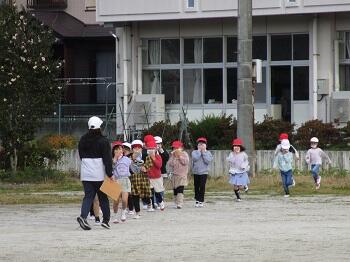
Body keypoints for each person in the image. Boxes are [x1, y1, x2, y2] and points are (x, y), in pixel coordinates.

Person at [77, 116, 113, 230]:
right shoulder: (103, 141)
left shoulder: (82, 139)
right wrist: (110, 174)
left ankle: (83, 216)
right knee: (103, 198)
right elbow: (107, 159)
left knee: (88, 196)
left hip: (86, 174)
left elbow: (81, 156)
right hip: (99, 174)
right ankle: (106, 220)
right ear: (99, 127)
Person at [111, 141, 132, 223]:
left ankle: (123, 212)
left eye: (119, 149)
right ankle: (115, 216)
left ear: (122, 150)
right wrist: (115, 159)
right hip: (116, 180)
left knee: (124, 199)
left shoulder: (126, 159)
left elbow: (133, 165)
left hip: (125, 180)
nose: (118, 151)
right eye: (115, 149)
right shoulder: (112, 160)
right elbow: (110, 169)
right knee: (116, 201)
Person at [143, 138, 165, 210]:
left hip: (157, 177)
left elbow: (159, 165)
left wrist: (154, 158)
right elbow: (146, 166)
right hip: (149, 177)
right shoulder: (147, 157)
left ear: (156, 149)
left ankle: (161, 202)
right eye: (149, 149)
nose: (151, 150)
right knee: (151, 192)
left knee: (158, 192)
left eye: (152, 149)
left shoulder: (158, 156)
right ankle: (151, 205)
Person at [166, 140, 190, 209]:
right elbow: (170, 164)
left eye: (177, 148)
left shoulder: (184, 154)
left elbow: (186, 162)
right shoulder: (172, 156)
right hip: (174, 175)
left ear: (181, 148)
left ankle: (180, 203)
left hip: (182, 175)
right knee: (175, 190)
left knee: (180, 189)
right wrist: (174, 157)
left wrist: (179, 156)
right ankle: (176, 202)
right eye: (174, 148)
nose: (175, 149)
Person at [191, 137, 213, 208]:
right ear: (197, 145)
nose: (201, 146)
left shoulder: (208, 153)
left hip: (204, 172)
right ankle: (197, 200)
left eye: (203, 144)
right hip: (196, 172)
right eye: (199, 144)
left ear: (206, 145)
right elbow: (195, 159)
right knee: (196, 186)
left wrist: (203, 153)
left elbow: (208, 161)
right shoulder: (194, 152)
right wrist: (199, 152)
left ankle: (201, 201)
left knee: (202, 186)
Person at [154, 136, 169, 208]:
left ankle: (160, 201)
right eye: (156, 143)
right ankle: (154, 202)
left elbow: (166, 158)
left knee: (161, 188)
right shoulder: (151, 151)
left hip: (162, 172)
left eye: (159, 143)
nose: (158, 145)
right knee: (153, 188)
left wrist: (161, 151)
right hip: (153, 173)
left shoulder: (163, 151)